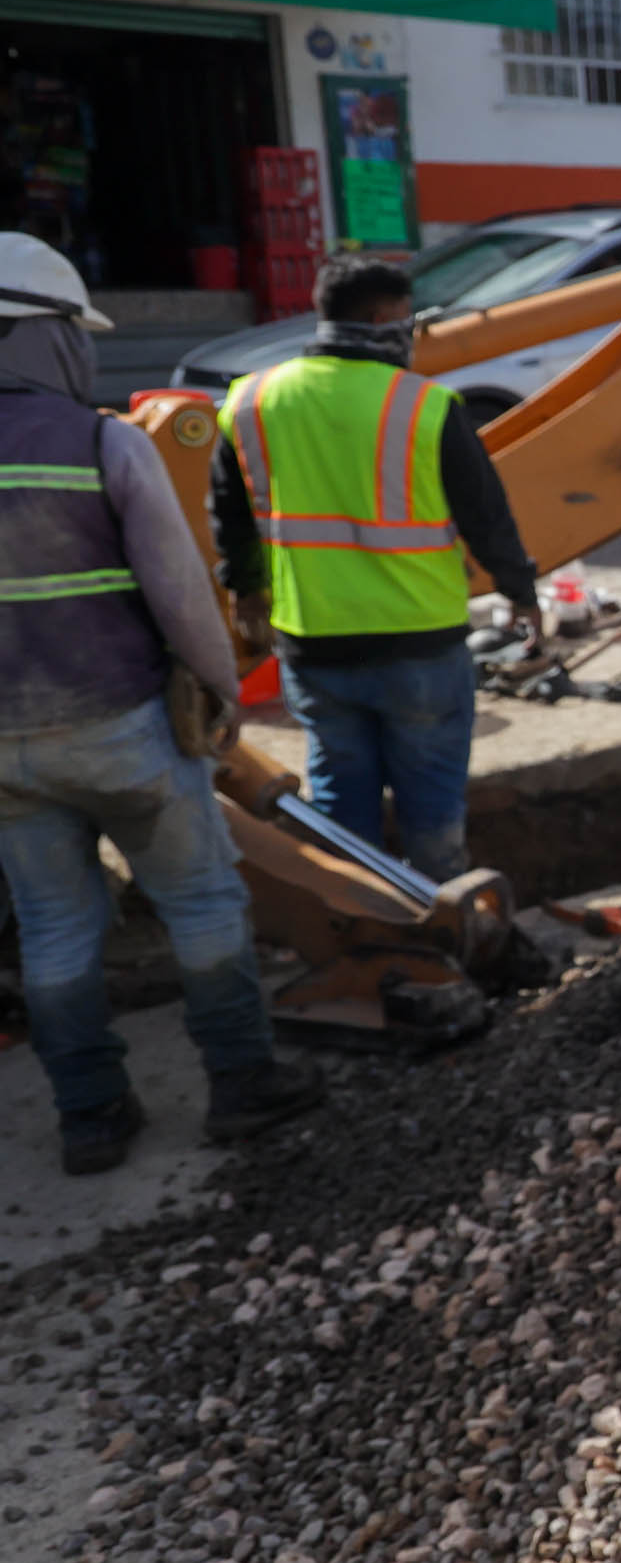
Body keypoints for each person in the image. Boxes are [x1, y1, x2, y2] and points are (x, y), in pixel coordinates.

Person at [0, 234, 323, 1174]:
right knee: (200, 899)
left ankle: (93, 1117)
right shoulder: (102, 441)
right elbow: (181, 591)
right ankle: (242, 1084)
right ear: (46, 337)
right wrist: (220, 690)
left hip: (4, 750)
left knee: (57, 926)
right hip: (117, 729)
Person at [214, 256, 539, 883]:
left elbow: (229, 515)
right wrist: (521, 592)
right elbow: (486, 516)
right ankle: (445, 926)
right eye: (406, 318)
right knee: (432, 807)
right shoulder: (427, 406)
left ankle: (362, 930)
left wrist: (245, 590)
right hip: (420, 643)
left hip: (314, 643)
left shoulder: (253, 400)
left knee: (340, 803)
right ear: (384, 317)